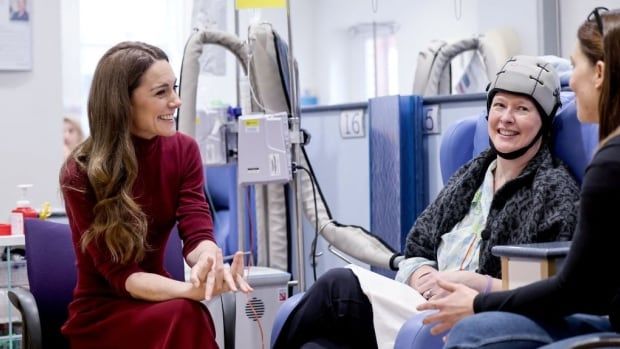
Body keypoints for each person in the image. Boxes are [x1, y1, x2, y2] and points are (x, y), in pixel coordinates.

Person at [273, 55, 580, 349]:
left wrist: (478, 284)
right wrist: (420, 275)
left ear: (544, 119)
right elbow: (416, 250)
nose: (506, 118)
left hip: (472, 314)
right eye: (499, 105)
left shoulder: (553, 191)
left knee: (338, 286)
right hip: (419, 300)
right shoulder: (469, 177)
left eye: (522, 109)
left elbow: (548, 287)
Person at [418, 8, 620, 349]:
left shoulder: (606, 167)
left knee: (473, 331)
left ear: (599, 73)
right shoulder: (469, 175)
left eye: (575, 66)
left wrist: (478, 299)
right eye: (499, 106)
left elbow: (574, 289)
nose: (571, 80)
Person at [59, 41, 252, 349]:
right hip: (102, 316)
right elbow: (124, 278)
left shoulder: (184, 150)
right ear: (123, 102)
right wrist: (192, 290)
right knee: (188, 314)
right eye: (161, 92)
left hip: (161, 304)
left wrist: (209, 259)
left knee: (187, 314)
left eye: (174, 88)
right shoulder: (80, 172)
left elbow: (197, 230)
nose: (176, 101)